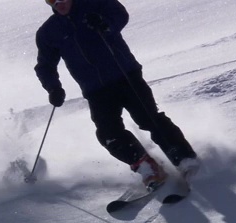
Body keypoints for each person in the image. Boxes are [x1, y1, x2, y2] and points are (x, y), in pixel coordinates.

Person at [34, 0, 200, 189]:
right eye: (52, 0)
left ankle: (185, 161)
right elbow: (45, 66)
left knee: (149, 119)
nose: (59, 3)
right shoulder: (49, 32)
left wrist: (105, 24)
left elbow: (120, 14)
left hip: (126, 75)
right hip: (95, 90)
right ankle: (148, 167)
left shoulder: (94, 4)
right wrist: (53, 88)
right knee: (108, 134)